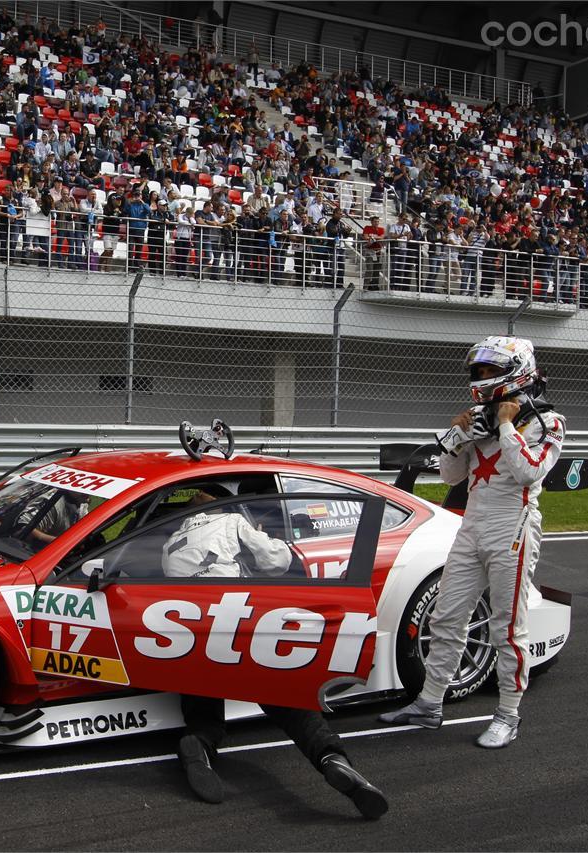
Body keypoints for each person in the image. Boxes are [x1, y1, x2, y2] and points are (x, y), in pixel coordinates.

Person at [380, 336, 565, 749]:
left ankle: (508, 715)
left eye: (489, 371)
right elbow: (450, 477)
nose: (481, 378)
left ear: (516, 370)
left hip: (512, 527)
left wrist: (504, 425)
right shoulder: (480, 419)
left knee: (506, 627)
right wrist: (458, 433)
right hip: (471, 525)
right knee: (445, 618)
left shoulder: (548, 421)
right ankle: (429, 703)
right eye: (478, 371)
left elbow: (529, 472)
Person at [162, 486, 388, 818]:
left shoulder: (168, 545)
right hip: (238, 622)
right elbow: (278, 561)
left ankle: (199, 741)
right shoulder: (232, 522)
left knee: (204, 701)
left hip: (191, 633)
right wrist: (265, 537)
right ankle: (330, 756)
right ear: (220, 507)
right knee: (289, 705)